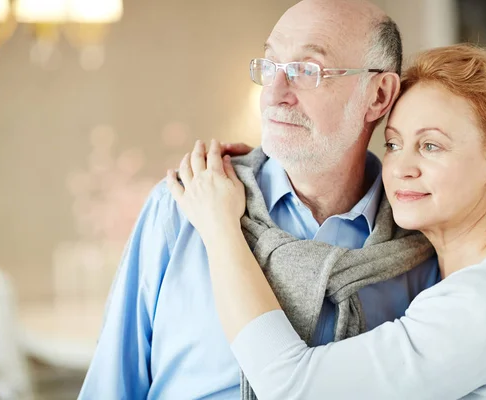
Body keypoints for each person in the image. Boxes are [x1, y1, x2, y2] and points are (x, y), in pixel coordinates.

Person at [167, 43, 486, 399]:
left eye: (431, 146)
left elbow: (290, 386)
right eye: (393, 143)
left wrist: (220, 227)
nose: (401, 167)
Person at [78, 0, 439, 398]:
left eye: (305, 71)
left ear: (378, 95)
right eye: (270, 66)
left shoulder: (421, 245)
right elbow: (109, 387)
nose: (274, 95)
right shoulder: (181, 205)